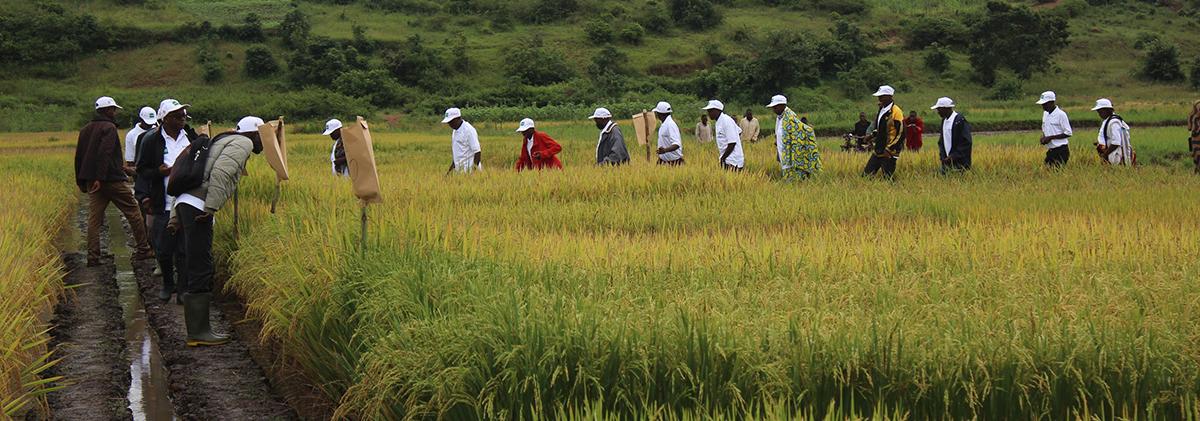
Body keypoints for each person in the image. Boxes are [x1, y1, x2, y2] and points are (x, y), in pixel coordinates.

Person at [173, 116, 265, 347]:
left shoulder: (219, 140)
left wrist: (175, 216)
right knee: (201, 265)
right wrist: (211, 207)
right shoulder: (243, 143)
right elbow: (222, 173)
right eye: (262, 135)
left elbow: (191, 172)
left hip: (185, 202)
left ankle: (198, 330)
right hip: (199, 206)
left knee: (195, 260)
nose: (264, 140)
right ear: (254, 134)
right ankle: (198, 333)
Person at [74, 96, 153, 267]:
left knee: (94, 220)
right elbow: (105, 153)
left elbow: (79, 157)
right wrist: (100, 178)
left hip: (93, 181)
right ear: (107, 110)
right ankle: (143, 249)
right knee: (133, 212)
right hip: (110, 180)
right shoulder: (109, 128)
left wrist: (83, 181)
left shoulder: (85, 129)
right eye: (113, 109)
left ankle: (93, 257)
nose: (115, 112)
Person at [136, 99, 196, 303]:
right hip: (164, 202)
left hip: (187, 201)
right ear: (165, 119)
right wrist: (157, 174)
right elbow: (141, 170)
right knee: (163, 248)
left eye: (183, 114)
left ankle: (182, 289)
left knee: (184, 248)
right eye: (177, 115)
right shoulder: (151, 140)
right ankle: (168, 284)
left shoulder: (191, 137)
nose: (182, 118)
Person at [768, 95, 821, 180]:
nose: (773, 109)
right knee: (789, 178)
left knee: (794, 180)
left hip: (791, 157)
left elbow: (798, 137)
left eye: (775, 107)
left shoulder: (790, 117)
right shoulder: (781, 117)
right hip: (784, 155)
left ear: (782, 105)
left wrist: (794, 157)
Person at [863, 85, 906, 178]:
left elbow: (901, 133)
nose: (879, 98)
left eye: (882, 96)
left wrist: (890, 149)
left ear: (889, 96)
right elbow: (880, 129)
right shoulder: (881, 109)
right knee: (866, 175)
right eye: (879, 96)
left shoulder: (896, 112)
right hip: (879, 148)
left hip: (889, 151)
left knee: (887, 177)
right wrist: (871, 136)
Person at [931, 97, 972, 173]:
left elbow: (966, 142)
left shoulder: (959, 120)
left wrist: (953, 156)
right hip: (947, 162)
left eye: (939, 109)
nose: (938, 112)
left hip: (960, 164)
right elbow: (941, 141)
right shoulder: (944, 120)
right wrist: (943, 156)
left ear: (946, 108)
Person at [703, 100, 744, 171]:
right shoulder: (719, 121)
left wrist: (723, 158)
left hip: (733, 161)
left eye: (710, 111)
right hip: (728, 159)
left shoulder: (726, 121)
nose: (708, 113)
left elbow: (732, 143)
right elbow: (738, 132)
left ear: (717, 110)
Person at [1092, 99, 1133, 166]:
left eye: (1100, 111)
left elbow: (1116, 142)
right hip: (1111, 156)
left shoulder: (1114, 123)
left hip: (1115, 157)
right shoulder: (1108, 120)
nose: (1099, 114)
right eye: (1098, 112)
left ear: (1107, 110)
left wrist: (1105, 155)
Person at [441, 108, 482, 174]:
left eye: (451, 121)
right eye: (448, 122)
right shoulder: (455, 130)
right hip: (459, 173)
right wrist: (449, 172)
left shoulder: (469, 130)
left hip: (469, 172)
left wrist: (473, 172)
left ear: (458, 118)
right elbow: (457, 154)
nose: (449, 124)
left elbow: (477, 152)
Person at [1037, 91, 1072, 167]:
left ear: (1051, 102)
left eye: (1044, 104)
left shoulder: (1061, 114)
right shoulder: (1045, 114)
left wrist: (1051, 137)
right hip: (1051, 150)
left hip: (1061, 151)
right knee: (1047, 172)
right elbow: (1045, 128)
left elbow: (1068, 133)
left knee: (1056, 173)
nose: (1043, 106)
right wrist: (1043, 138)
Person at [125, 106, 157, 172]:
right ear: (141, 119)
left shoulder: (158, 131)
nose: (150, 126)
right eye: (147, 123)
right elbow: (130, 160)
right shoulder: (131, 135)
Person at [1189, 100, 1200, 173]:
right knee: (1197, 155)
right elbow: (1190, 128)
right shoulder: (1192, 116)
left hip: (1194, 137)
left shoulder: (1191, 116)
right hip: (1195, 138)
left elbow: (1189, 128)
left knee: (1196, 154)